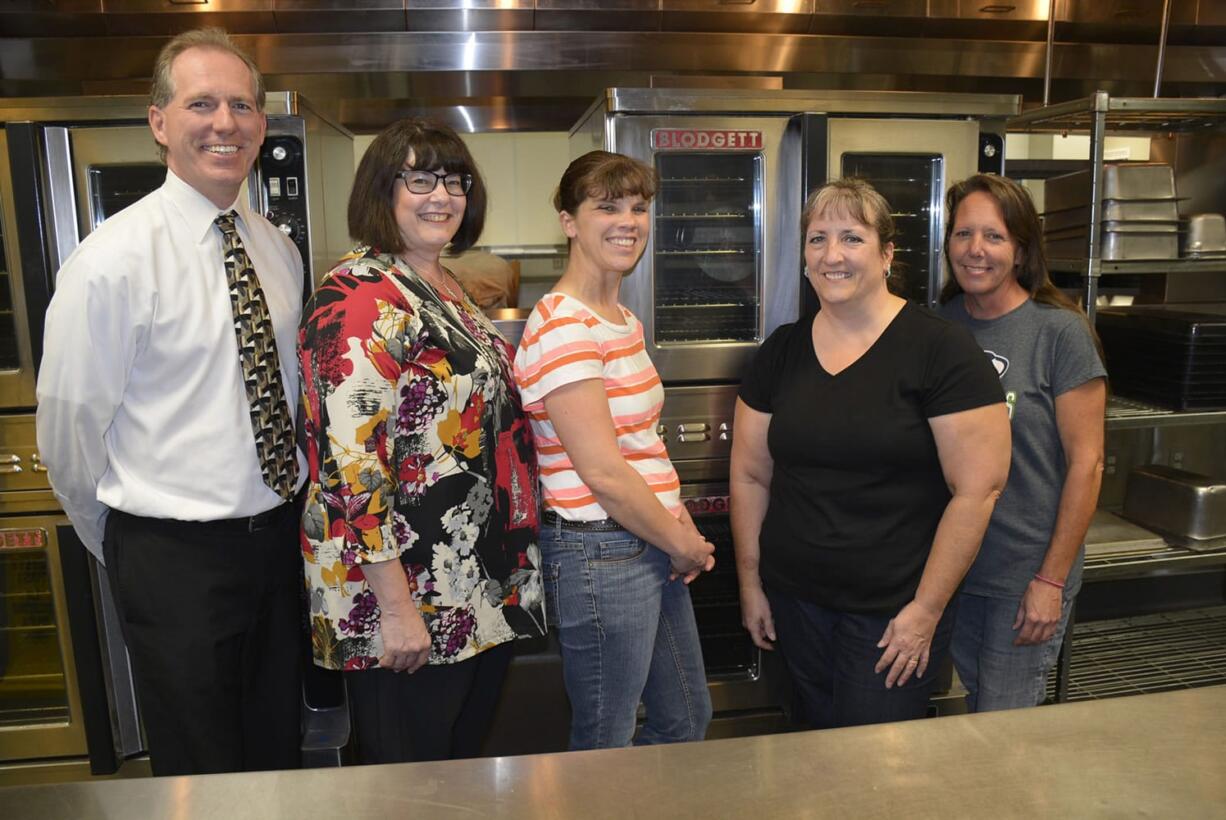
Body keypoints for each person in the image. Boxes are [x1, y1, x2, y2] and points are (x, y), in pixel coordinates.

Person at [36, 28, 304, 775]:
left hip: (276, 543)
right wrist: (129, 546)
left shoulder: (275, 248)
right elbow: (69, 431)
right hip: (174, 557)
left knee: (276, 754)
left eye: (242, 104)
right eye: (203, 104)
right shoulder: (111, 261)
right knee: (199, 768)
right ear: (160, 121)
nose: (226, 122)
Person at [297, 118, 545, 765]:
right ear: (383, 190)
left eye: (455, 179)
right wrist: (397, 609)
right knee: (406, 785)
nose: (443, 194)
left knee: (453, 773)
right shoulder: (357, 294)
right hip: (408, 597)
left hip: (469, 587)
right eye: (421, 178)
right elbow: (350, 465)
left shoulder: (442, 285)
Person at [730, 177, 1011, 729]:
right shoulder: (781, 352)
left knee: (875, 774)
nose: (831, 256)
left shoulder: (941, 350)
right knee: (812, 748)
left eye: (851, 239)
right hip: (797, 602)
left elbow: (978, 490)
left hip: (893, 612)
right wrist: (750, 583)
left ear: (886, 254)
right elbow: (749, 475)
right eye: (817, 239)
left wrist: (926, 612)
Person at [512, 151, 714, 750]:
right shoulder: (565, 326)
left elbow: (641, 444)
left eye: (638, 207)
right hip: (600, 551)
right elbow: (602, 470)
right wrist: (683, 542)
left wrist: (673, 525)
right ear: (568, 221)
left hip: (645, 538)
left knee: (685, 719)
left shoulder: (620, 318)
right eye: (607, 207)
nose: (628, 221)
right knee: (606, 741)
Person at [939, 174, 1107, 712]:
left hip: (1023, 575)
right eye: (964, 234)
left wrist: (1051, 580)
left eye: (994, 236)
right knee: (975, 714)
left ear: (1021, 248)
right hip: (953, 567)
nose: (976, 250)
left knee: (1006, 730)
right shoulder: (938, 328)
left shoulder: (1059, 332)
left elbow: (1088, 464)